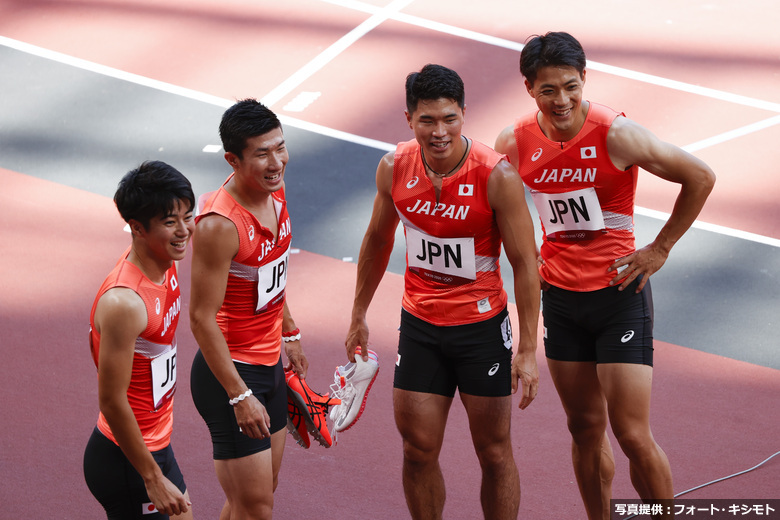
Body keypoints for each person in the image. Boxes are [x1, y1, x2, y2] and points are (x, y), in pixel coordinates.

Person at [495, 31, 716, 520]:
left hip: (619, 296)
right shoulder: (513, 142)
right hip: (562, 301)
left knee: (633, 434)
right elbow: (498, 213)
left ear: (584, 80)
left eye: (571, 87)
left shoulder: (616, 134)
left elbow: (700, 177)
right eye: (548, 89)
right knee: (584, 429)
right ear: (529, 87)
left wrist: (660, 248)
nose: (562, 100)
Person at [345, 64, 541, 520]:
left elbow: (526, 265)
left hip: (481, 329)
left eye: (449, 118)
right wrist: (358, 313)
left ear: (464, 115)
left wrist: (529, 348)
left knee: (493, 453)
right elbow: (377, 240)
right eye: (427, 120)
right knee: (417, 450)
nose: (439, 131)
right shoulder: (394, 167)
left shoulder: (497, 177)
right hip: (420, 326)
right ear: (409, 118)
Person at [188, 99, 307, 520]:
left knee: (255, 498)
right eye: (262, 153)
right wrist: (240, 395)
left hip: (269, 361)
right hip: (231, 375)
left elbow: (271, 268)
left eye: (281, 147)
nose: (277, 162)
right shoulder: (220, 225)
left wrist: (288, 333)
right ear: (233, 160)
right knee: (257, 508)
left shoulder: (276, 190)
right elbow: (200, 318)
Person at [83, 161, 195, 519]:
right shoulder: (124, 302)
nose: (184, 231)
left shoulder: (166, 262)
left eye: (187, 217)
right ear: (136, 228)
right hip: (127, 461)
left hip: (156, 443)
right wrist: (152, 478)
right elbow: (112, 401)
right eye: (169, 222)